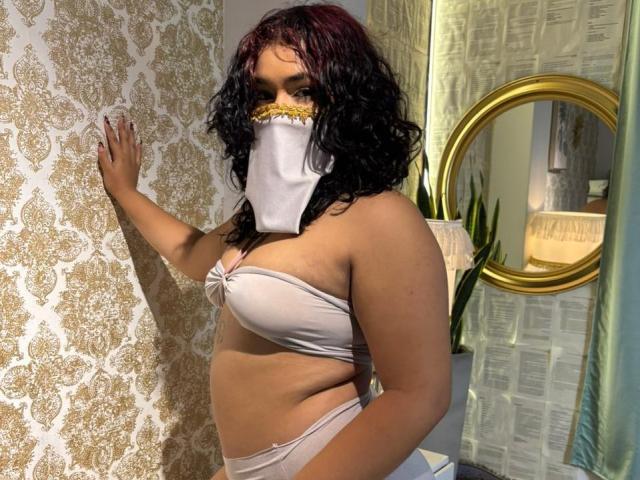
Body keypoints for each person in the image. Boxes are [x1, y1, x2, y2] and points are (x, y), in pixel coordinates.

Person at [97, 4, 450, 479]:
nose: (278, 110)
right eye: (263, 94)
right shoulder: (262, 217)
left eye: (303, 91)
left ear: (348, 100)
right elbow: (192, 254)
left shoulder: (381, 218)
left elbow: (420, 395)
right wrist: (127, 193)